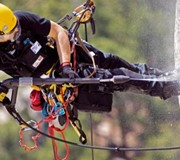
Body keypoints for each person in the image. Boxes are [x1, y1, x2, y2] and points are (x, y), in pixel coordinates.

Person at [0, 3, 179, 109]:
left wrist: (66, 66)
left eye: (18, 29)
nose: (18, 32)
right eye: (13, 33)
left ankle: (158, 76)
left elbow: (58, 32)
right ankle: (167, 86)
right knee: (114, 79)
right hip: (54, 82)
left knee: (111, 61)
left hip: (66, 56)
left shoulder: (22, 19)